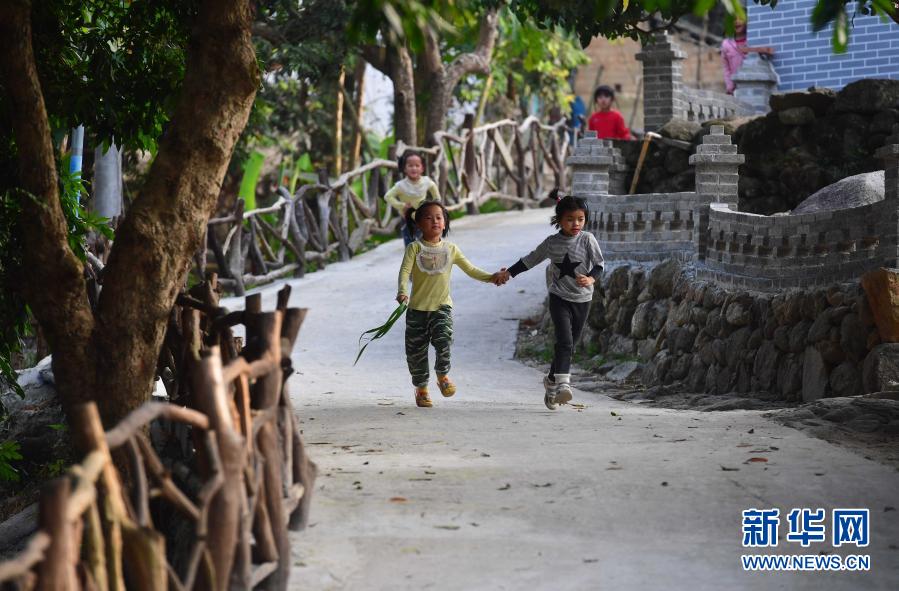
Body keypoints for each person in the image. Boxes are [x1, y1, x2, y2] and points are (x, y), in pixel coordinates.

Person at [497, 192, 604, 410]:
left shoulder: (588, 239)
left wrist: (591, 278)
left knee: (569, 344)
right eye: (570, 219)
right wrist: (509, 273)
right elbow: (530, 260)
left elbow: (600, 265)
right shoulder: (551, 243)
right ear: (559, 220)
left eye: (580, 219)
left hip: (583, 299)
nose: (576, 224)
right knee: (564, 341)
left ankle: (551, 382)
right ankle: (564, 384)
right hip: (559, 297)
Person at [396, 201, 506, 408]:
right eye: (428, 217)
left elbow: (471, 270)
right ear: (419, 224)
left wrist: (492, 277)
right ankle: (421, 389)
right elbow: (404, 272)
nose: (435, 221)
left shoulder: (451, 249)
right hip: (417, 311)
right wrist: (402, 291)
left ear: (445, 223)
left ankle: (443, 375)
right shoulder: (414, 248)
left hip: (441, 308)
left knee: (444, 340)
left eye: (439, 217)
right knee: (416, 353)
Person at [384, 151, 441, 245]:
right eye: (410, 165)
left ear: (422, 168)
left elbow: (436, 195)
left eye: (417, 165)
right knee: (410, 246)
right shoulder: (401, 186)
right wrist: (401, 206)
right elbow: (388, 196)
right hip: (407, 219)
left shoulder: (426, 182)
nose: (414, 168)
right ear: (405, 169)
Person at [721, 18, 774, 95]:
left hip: (753, 81)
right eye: (733, 19)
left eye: (740, 18)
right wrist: (730, 86)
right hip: (737, 85)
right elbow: (726, 68)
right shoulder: (726, 44)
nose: (736, 21)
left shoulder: (752, 40)